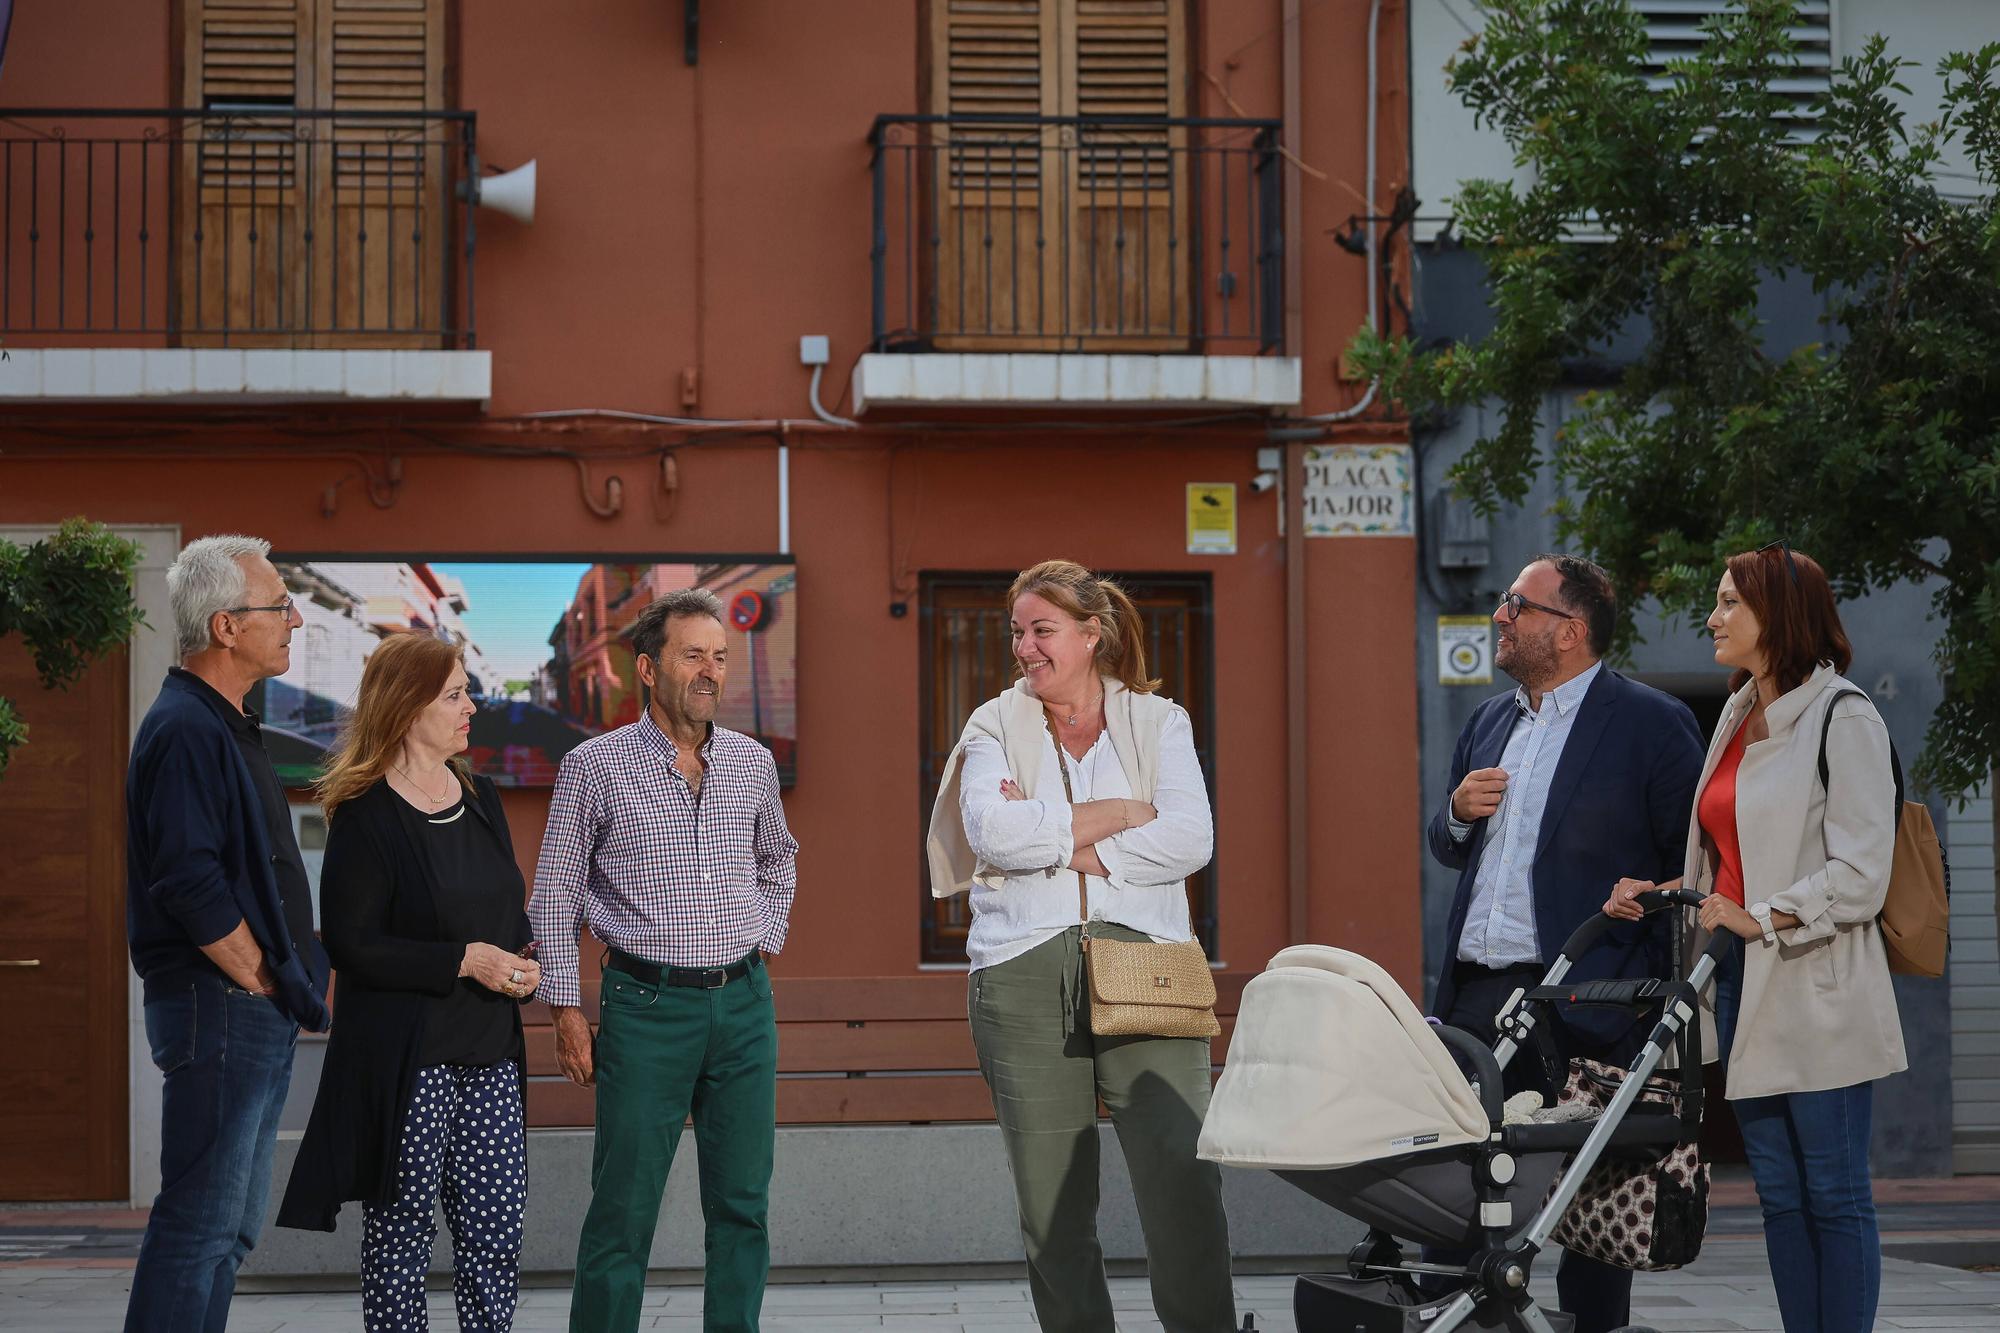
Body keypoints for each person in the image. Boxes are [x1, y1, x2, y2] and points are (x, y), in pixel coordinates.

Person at [925, 559, 1236, 1333]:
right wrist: (1124, 810)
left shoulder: (1159, 722)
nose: (1024, 648)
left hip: (1151, 967)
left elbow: (1191, 837)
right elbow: (991, 832)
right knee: (1054, 1212)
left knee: (1185, 1190)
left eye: (1042, 630)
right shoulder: (993, 723)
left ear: (1091, 633)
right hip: (1022, 973)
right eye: (1016, 632)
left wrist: (1062, 838)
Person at [1603, 544, 1905, 1333]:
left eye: (1732, 601)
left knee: (1834, 1193)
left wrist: (1761, 915)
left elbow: (1863, 873)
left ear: (1782, 615)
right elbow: (1737, 853)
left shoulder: (1846, 716)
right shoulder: (1738, 712)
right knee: (1777, 1192)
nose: (1714, 616)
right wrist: (1675, 890)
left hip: (1821, 980)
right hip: (1744, 980)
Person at [1425, 553, 1704, 1333]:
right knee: (1456, 1183)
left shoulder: (1651, 721)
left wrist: (1648, 892)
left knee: (1590, 1198)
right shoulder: (1489, 721)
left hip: (1592, 991)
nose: (1500, 615)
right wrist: (1453, 812)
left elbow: (1690, 857)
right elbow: (1450, 849)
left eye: (1518, 603)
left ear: (1571, 630)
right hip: (1480, 994)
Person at [529, 587, 800, 1333]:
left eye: (719, 656)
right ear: (648, 668)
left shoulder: (750, 762)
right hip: (645, 1010)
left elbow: (780, 858)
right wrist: (566, 1010)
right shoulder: (594, 765)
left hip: (743, 1006)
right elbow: (554, 896)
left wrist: (763, 936)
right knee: (623, 1207)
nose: (710, 671)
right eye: (693, 655)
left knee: (743, 1204)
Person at [276, 634, 540, 1332]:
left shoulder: (480, 797)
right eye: (454, 693)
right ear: (408, 703)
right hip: (410, 1062)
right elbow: (354, 944)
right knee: (401, 1237)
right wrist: (464, 959)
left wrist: (520, 960)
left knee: (496, 1236)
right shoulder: (365, 814)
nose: (470, 705)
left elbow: (505, 914)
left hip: (490, 1053)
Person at [124, 534, 332, 1332]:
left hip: (249, 1008)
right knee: (199, 1225)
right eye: (279, 605)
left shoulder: (223, 722)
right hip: (222, 1005)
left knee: (229, 1231)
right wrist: (258, 975)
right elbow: (188, 878)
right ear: (224, 626)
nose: (296, 618)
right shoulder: (185, 727)